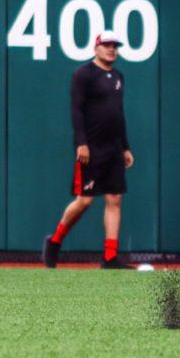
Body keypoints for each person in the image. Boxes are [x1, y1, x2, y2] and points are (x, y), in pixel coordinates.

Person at [42, 30, 135, 269]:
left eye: (115, 46)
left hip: (114, 147)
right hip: (92, 148)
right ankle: (54, 241)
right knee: (84, 201)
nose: (111, 49)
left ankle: (110, 257)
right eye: (107, 45)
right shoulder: (84, 74)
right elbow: (76, 110)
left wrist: (125, 147)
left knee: (114, 199)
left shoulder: (118, 76)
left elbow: (119, 114)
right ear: (96, 48)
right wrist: (81, 143)